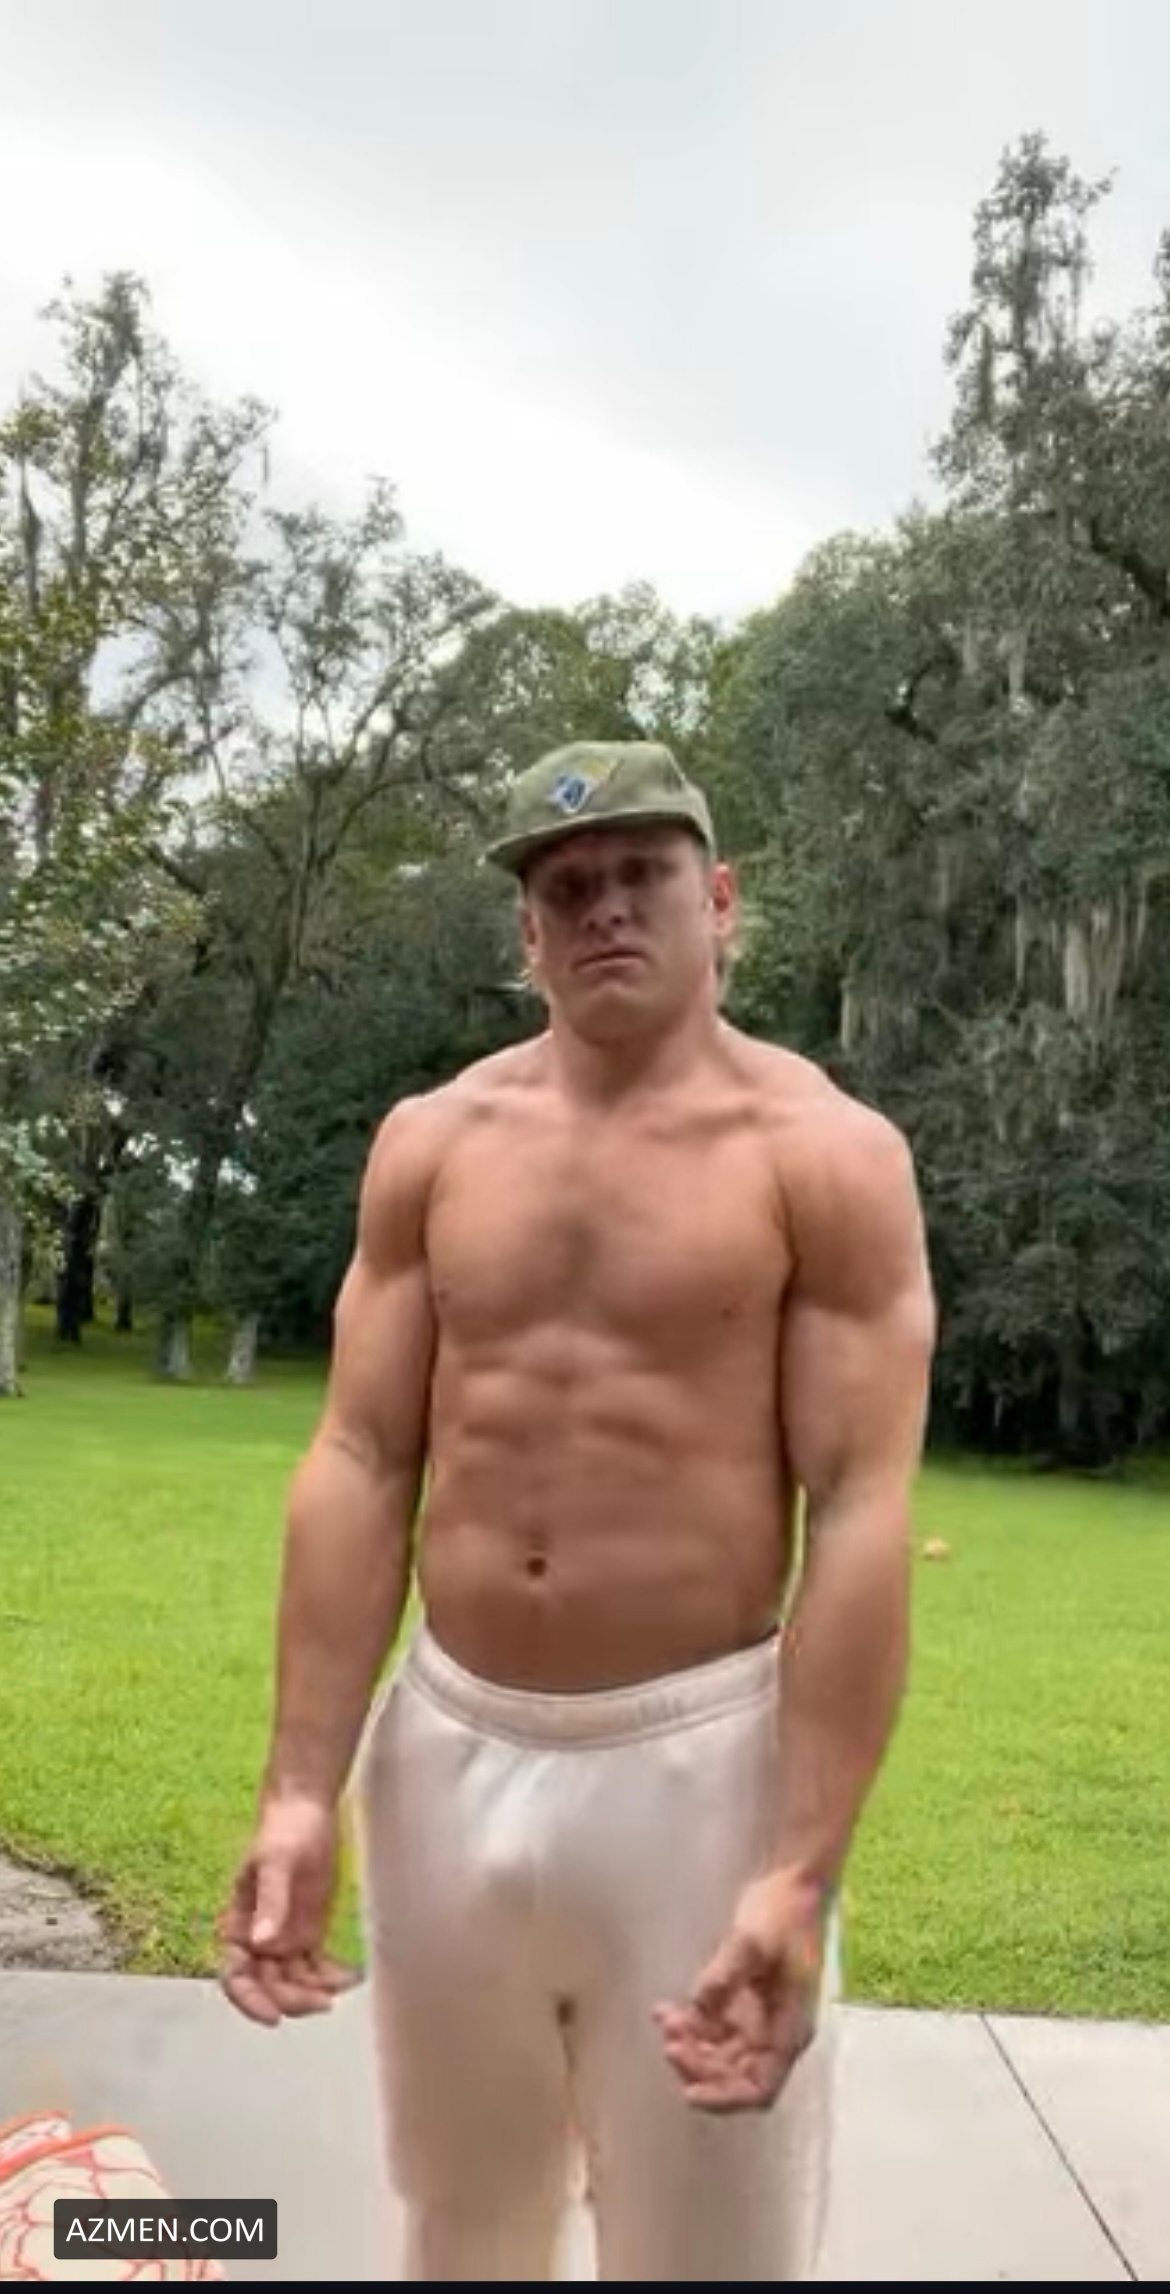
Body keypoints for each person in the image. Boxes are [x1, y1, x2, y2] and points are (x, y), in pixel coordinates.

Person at [218, 739, 937, 2282]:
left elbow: (858, 1513)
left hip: (695, 1761)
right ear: (526, 932)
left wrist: (796, 1869)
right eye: (565, 887)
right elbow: (360, 1458)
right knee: (462, 2219)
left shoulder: (823, 1156)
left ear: (717, 899)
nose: (603, 906)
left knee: (709, 2243)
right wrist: (297, 1789)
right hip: (447, 1746)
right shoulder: (433, 1143)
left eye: (639, 874)